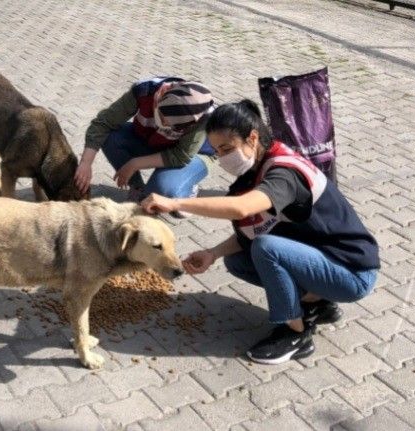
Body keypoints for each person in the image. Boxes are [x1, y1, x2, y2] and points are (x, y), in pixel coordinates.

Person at [140, 99, 380, 364]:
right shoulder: (257, 168)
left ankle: (295, 335)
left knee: (266, 249)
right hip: (325, 259)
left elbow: (242, 209)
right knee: (238, 260)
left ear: (252, 138)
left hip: (353, 272)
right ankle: (317, 303)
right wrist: (213, 253)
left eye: (227, 148)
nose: (222, 158)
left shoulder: (283, 172)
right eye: (217, 150)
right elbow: (254, 228)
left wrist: (175, 202)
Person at [74, 77, 217, 216]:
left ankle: (187, 187)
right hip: (154, 142)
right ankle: (137, 188)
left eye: (172, 126)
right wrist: (86, 163)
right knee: (112, 136)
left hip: (193, 156)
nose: (165, 126)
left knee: (162, 191)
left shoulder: (202, 114)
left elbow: (181, 156)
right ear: (160, 98)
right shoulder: (144, 91)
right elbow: (103, 123)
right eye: (162, 119)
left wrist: (134, 164)